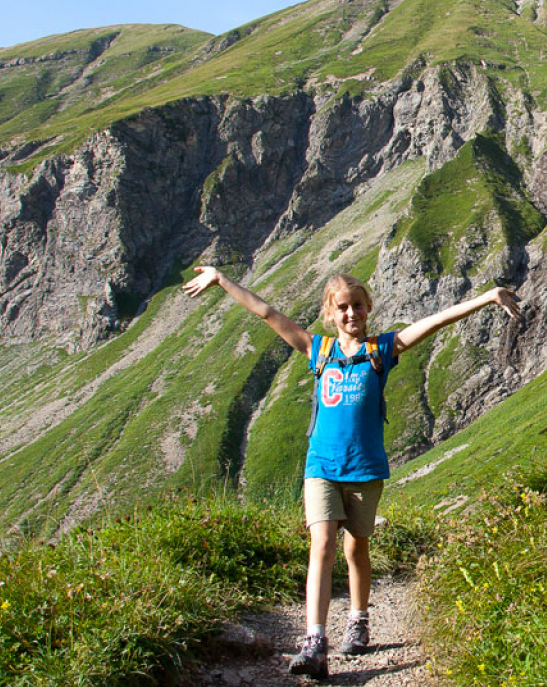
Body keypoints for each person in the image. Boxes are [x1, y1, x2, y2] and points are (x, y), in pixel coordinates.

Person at [183, 267, 520, 677]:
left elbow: (432, 323)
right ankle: (315, 642)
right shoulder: (317, 350)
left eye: (357, 306)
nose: (350, 314)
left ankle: (358, 619)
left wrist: (486, 298)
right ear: (330, 312)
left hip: (365, 470)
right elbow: (268, 314)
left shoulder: (381, 350)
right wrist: (221, 280)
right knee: (322, 545)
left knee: (355, 548)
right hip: (321, 466)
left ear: (368, 308)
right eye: (342, 307)